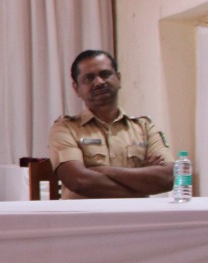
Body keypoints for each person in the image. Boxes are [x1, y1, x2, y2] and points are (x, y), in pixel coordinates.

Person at [48, 50, 173, 199]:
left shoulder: (144, 127)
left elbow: (169, 177)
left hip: (133, 214)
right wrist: (141, 182)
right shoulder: (65, 129)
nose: (99, 82)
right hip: (86, 213)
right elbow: (79, 181)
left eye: (105, 74)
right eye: (89, 78)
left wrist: (103, 170)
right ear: (76, 88)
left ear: (118, 79)